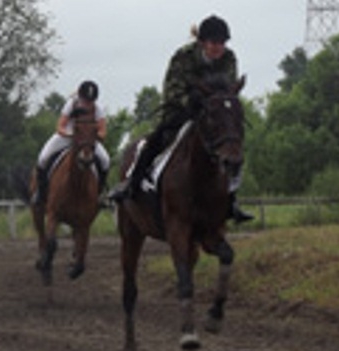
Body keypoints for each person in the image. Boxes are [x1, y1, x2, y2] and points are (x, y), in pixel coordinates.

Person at [109, 15, 253, 223]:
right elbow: (171, 90)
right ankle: (131, 183)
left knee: (231, 146)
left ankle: (231, 200)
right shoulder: (183, 57)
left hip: (212, 113)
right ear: (202, 42)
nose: (218, 48)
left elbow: (228, 90)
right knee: (158, 137)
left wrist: (216, 106)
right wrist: (190, 102)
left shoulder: (229, 58)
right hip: (181, 108)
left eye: (222, 43)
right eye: (214, 43)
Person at [34, 80, 110, 205]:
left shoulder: (97, 109)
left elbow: (103, 131)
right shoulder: (71, 105)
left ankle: (100, 194)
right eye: (86, 101)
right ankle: (41, 193)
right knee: (43, 158)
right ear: (80, 97)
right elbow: (60, 126)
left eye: (90, 101)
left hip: (87, 141)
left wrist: (93, 136)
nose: (88, 104)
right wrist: (71, 135)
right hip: (67, 137)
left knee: (105, 160)